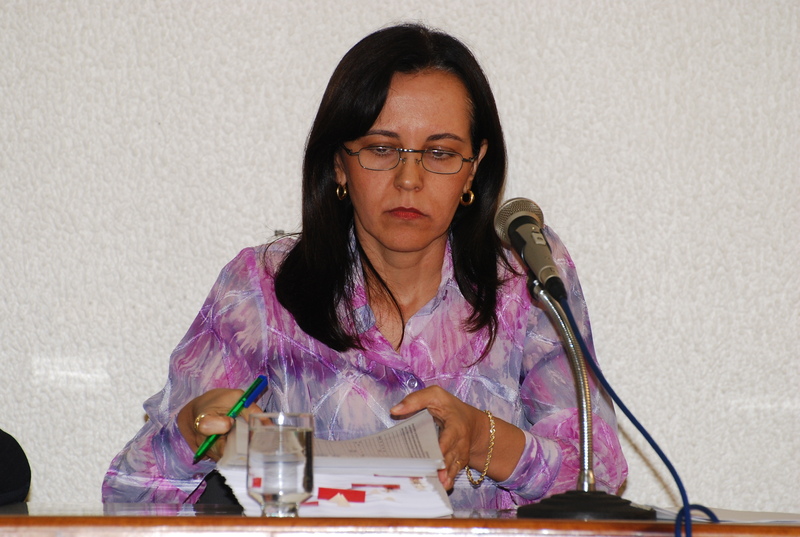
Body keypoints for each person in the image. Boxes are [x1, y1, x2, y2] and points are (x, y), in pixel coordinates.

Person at [102, 23, 627, 510]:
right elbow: (129, 496)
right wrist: (190, 434)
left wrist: (480, 439)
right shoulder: (263, 289)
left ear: (474, 169)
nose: (409, 179)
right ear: (339, 163)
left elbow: (597, 475)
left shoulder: (523, 276)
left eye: (440, 154)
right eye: (381, 148)